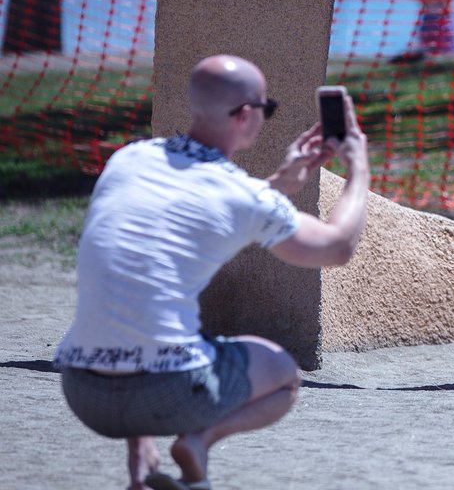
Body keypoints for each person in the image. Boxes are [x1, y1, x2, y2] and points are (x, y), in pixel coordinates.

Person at [54, 55, 371, 489]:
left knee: (138, 308)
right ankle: (199, 442)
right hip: (170, 392)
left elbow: (134, 267)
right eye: (267, 108)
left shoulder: (129, 160)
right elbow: (336, 248)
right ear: (245, 115)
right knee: (282, 374)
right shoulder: (242, 196)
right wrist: (359, 167)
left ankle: (141, 468)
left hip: (82, 391)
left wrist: (280, 181)